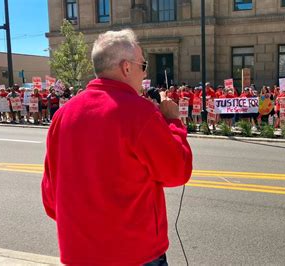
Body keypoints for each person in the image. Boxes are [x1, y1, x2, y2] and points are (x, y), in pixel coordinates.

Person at [41, 29, 193, 265]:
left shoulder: (62, 115)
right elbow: (177, 171)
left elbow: (51, 199)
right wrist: (173, 121)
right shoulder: (140, 113)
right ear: (126, 67)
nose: (145, 73)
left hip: (79, 254)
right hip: (135, 254)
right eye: (143, 65)